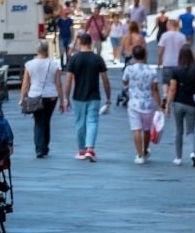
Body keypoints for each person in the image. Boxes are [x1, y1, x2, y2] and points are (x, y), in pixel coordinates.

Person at [61, 32, 111, 162]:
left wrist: (66, 97)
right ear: (91, 43)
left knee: (80, 123)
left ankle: (82, 150)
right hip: (94, 95)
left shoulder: (74, 59)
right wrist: (108, 97)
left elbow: (68, 80)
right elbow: (105, 79)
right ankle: (90, 149)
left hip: (78, 96)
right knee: (92, 121)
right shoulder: (97, 59)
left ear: (79, 43)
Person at [19, 41, 62, 158]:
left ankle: (39, 148)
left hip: (35, 95)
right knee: (46, 121)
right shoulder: (54, 64)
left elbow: (25, 84)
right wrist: (62, 100)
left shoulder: (29, 64)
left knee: (38, 122)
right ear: (47, 49)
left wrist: (22, 98)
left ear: (36, 50)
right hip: (51, 96)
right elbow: (58, 83)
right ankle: (45, 147)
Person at [165, 44, 195, 167]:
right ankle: (193, 153)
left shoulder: (176, 71)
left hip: (178, 103)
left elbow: (172, 89)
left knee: (179, 131)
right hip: (192, 104)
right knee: (190, 131)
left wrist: (167, 104)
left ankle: (178, 158)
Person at [121, 44, 160, 165]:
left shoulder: (129, 69)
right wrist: (159, 105)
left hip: (134, 103)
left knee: (136, 129)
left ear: (133, 56)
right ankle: (145, 150)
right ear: (145, 55)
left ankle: (139, 155)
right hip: (147, 103)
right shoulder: (152, 70)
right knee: (147, 129)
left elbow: (124, 82)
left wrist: (129, 85)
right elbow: (154, 89)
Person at [158, 18, 188, 91]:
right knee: (178, 82)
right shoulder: (182, 36)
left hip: (167, 63)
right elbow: (185, 50)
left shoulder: (164, 35)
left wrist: (159, 61)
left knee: (166, 81)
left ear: (169, 25)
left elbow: (161, 50)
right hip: (179, 63)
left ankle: (165, 95)